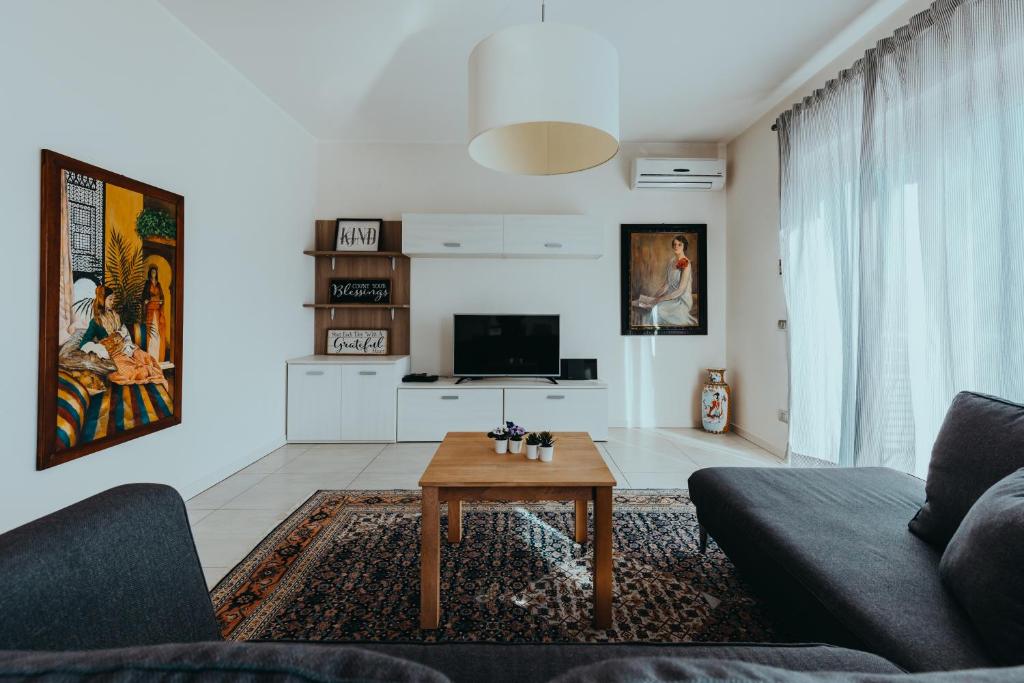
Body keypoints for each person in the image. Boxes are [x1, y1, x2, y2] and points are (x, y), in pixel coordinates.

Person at [79, 285, 167, 388]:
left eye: (113, 299)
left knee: (147, 358)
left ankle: (144, 364)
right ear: (102, 300)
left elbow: (125, 334)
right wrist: (99, 348)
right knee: (136, 373)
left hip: (126, 347)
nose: (113, 302)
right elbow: (84, 343)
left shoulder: (117, 316)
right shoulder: (95, 322)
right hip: (114, 354)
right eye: (110, 299)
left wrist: (129, 346)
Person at [632, 234, 698, 326]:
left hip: (681, 299)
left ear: (684, 246)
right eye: (674, 244)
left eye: (679, 244)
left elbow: (680, 290)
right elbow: (666, 284)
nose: (676, 246)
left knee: (657, 309)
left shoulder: (686, 263)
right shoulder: (672, 262)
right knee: (647, 302)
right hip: (670, 296)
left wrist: (660, 299)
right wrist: (655, 298)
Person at [141, 266, 166, 361]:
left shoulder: (158, 284)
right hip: (150, 312)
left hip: (157, 312)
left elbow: (162, 298)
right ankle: (151, 358)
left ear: (156, 273)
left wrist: (158, 301)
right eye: (152, 272)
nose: (153, 274)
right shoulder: (147, 284)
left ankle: (158, 357)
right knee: (151, 335)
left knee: (158, 335)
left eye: (155, 272)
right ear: (150, 273)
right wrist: (149, 300)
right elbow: (144, 297)